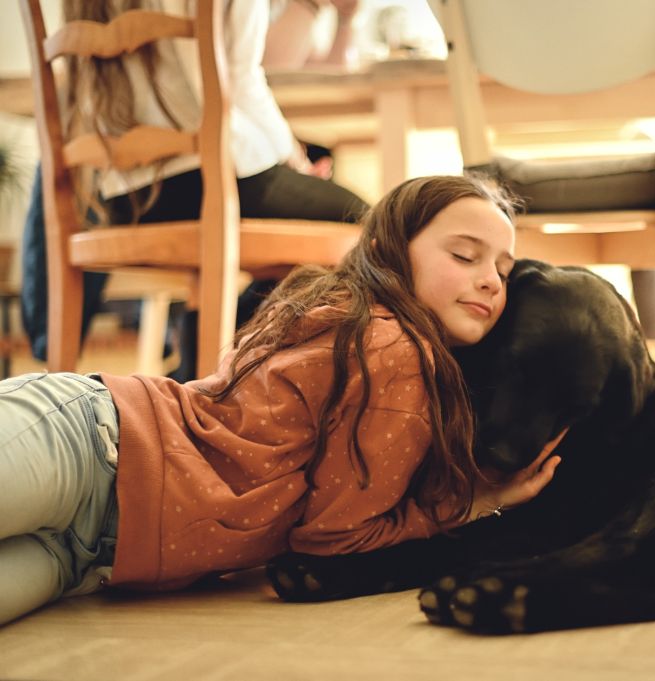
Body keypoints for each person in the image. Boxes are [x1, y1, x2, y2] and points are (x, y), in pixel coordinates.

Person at [0, 174, 566, 626]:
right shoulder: (394, 348)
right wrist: (473, 503)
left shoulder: (361, 329)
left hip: (96, 553)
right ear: (385, 250)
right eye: (466, 256)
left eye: (503, 268)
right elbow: (334, 540)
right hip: (93, 450)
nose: (492, 280)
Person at [20, 0, 369, 380]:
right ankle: (213, 353)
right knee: (366, 225)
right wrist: (295, 160)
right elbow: (243, 83)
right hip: (214, 183)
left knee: (298, 247)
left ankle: (200, 357)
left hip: (125, 197)